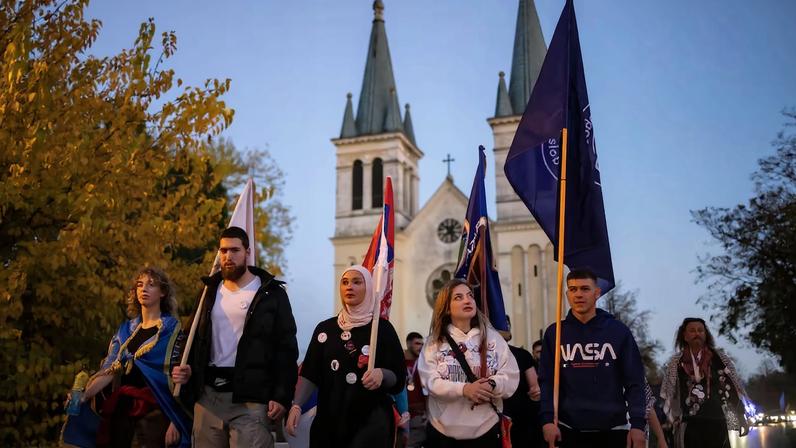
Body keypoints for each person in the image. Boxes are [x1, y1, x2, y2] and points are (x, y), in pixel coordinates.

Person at [172, 226, 299, 447]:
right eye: (223, 251)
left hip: (252, 398)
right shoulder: (208, 292)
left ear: (247, 252)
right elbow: (190, 337)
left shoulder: (271, 294)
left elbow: (286, 348)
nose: (228, 256)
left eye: (234, 250)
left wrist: (282, 396)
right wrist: (187, 367)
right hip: (208, 396)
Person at [285, 265, 406, 447]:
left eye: (357, 282)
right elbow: (310, 373)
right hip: (330, 422)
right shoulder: (325, 329)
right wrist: (297, 405)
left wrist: (382, 374)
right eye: (345, 282)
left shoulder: (383, 329)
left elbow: (398, 378)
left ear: (369, 289)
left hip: (371, 423)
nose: (349, 287)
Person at [78, 266, 191, 447]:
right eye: (140, 285)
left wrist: (176, 421)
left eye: (151, 285)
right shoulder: (126, 330)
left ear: (162, 292)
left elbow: (177, 379)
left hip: (156, 413)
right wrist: (83, 395)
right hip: (123, 412)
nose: (144, 289)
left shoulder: (172, 329)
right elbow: (109, 370)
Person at [538, 268, 646, 448]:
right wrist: (547, 420)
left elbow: (634, 382)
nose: (578, 294)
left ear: (597, 293)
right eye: (573, 289)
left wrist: (637, 425)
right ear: (566, 294)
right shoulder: (555, 333)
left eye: (585, 289)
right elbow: (547, 382)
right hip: (568, 429)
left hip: (613, 429)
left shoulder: (618, 332)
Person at [417, 279, 519, 447]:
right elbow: (430, 382)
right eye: (458, 297)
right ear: (447, 308)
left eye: (470, 296)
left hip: (487, 429)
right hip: (444, 432)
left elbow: (511, 374)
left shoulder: (493, 339)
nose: (467, 300)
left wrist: (492, 384)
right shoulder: (434, 343)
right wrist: (464, 389)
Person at [660, 317, 749, 448]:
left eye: (700, 330)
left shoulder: (720, 359)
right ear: (684, 336)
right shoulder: (676, 362)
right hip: (689, 424)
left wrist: (741, 417)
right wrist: (670, 420)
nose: (697, 333)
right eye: (692, 330)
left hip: (717, 421)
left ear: (705, 334)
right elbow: (669, 393)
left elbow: (733, 389)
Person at [499, 316, 542, 448]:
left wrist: (536, 393)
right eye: (501, 324)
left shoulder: (522, 355)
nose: (506, 327)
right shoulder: (481, 357)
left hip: (521, 421)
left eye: (507, 324)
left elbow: (535, 389)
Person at [404, 331, 428, 448]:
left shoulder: (424, 364)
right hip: (403, 417)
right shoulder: (399, 363)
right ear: (408, 344)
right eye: (417, 344)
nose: (421, 347)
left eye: (422, 345)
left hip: (421, 418)